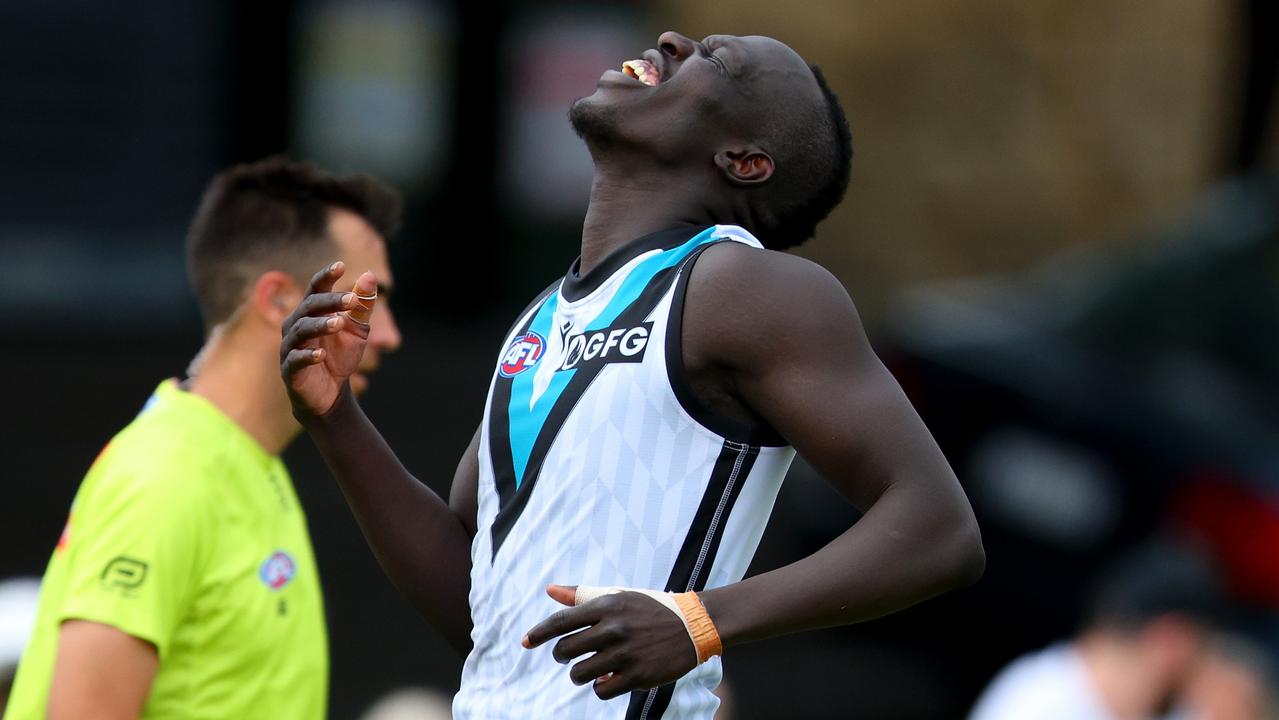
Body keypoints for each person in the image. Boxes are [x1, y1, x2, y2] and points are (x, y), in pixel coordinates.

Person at [281, 31, 984, 719]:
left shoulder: (750, 290)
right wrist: (334, 417)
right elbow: (477, 606)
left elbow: (938, 529)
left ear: (742, 160)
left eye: (720, 60)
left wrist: (698, 621)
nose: (675, 40)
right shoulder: (540, 320)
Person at [5, 158, 404, 719]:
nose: (387, 334)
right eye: (368, 299)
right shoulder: (168, 474)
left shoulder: (244, 465)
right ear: (278, 301)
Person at [968, 542, 1227, 720]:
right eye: (1203, 644)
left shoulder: (1176, 711)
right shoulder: (1039, 702)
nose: (1207, 662)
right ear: (1171, 639)